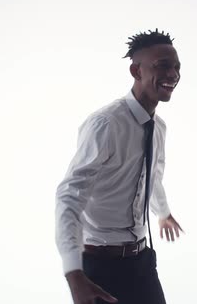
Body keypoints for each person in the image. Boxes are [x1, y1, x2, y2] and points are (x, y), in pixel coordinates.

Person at [55, 29, 184, 304]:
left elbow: (153, 176)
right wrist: (74, 274)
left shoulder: (158, 128)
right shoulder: (106, 124)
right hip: (100, 267)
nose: (173, 74)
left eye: (176, 67)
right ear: (136, 71)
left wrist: (163, 213)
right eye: (162, 66)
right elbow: (69, 197)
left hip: (142, 263)